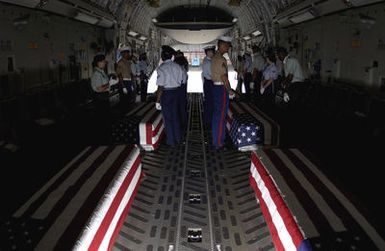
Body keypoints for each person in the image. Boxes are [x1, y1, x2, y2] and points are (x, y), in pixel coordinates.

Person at [155, 45, 184, 148]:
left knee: (168, 118)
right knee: (175, 115)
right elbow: (181, 81)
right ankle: (178, 138)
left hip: (166, 94)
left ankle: (171, 141)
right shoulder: (178, 66)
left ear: (163, 56)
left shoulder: (161, 68)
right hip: (176, 92)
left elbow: (161, 86)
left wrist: (157, 101)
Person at [210, 36, 235, 150]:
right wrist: (229, 90)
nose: (228, 48)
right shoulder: (221, 59)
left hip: (216, 88)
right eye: (227, 45)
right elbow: (224, 77)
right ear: (222, 45)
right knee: (221, 117)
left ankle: (217, 139)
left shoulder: (215, 57)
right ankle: (219, 142)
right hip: (221, 89)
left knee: (217, 115)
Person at [174, 50, 189, 132]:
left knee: (177, 106)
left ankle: (181, 123)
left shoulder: (176, 67)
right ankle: (184, 123)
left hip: (178, 87)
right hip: (183, 86)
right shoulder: (184, 66)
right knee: (182, 104)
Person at [202, 45, 215, 128]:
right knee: (210, 102)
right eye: (212, 52)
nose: (213, 53)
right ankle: (208, 121)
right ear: (209, 52)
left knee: (208, 101)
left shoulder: (207, 60)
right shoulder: (208, 62)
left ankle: (207, 119)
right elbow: (212, 75)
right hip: (210, 82)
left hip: (208, 82)